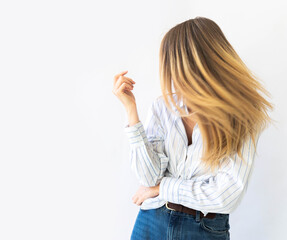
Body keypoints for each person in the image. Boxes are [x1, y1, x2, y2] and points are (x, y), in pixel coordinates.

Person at [112, 16, 274, 240]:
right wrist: (132, 113)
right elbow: (149, 178)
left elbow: (226, 196)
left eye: (175, 67)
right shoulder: (163, 108)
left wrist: (162, 189)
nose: (172, 77)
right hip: (151, 221)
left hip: (204, 229)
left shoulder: (242, 117)